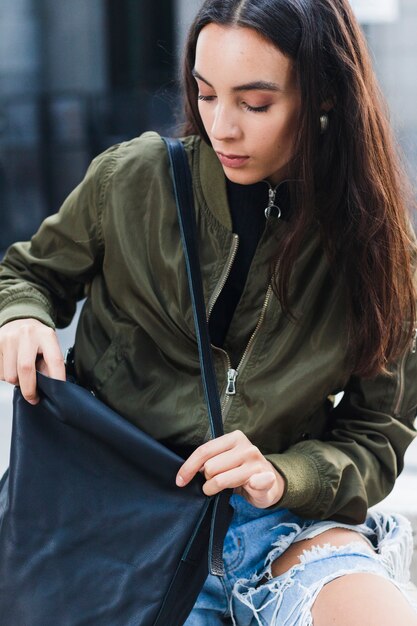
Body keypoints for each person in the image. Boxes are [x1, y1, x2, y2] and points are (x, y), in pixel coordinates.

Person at [1, 0, 417, 623]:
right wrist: (21, 316)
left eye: (255, 103)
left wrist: (284, 475)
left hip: (273, 529)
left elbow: (375, 439)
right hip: (114, 525)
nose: (220, 126)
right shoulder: (132, 180)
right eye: (203, 93)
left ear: (325, 97)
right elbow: (28, 273)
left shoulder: (379, 252)